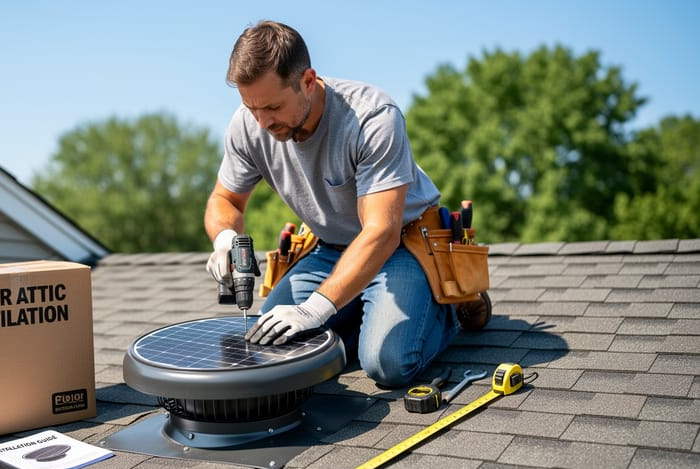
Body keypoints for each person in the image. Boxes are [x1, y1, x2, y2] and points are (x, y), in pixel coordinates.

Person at [205, 20, 489, 387]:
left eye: (273, 107)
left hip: (404, 245)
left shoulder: (372, 118)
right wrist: (224, 236)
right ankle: (359, 310)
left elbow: (381, 232)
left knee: (386, 363)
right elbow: (225, 199)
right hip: (330, 249)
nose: (261, 122)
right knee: (271, 345)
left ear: (308, 81)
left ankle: (448, 304)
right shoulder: (249, 124)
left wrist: (316, 308)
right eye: (251, 108)